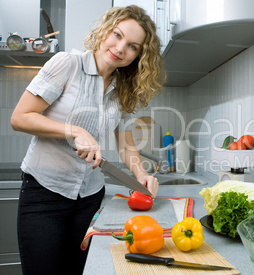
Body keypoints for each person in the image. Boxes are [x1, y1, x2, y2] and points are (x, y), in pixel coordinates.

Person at [10, 5, 166, 275]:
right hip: (44, 194)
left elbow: (126, 142)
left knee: (81, 271)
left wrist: (140, 174)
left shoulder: (124, 90)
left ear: (139, 55)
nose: (119, 48)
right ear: (105, 30)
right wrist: (75, 131)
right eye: (117, 35)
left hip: (90, 199)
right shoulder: (66, 64)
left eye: (132, 46)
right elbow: (21, 117)